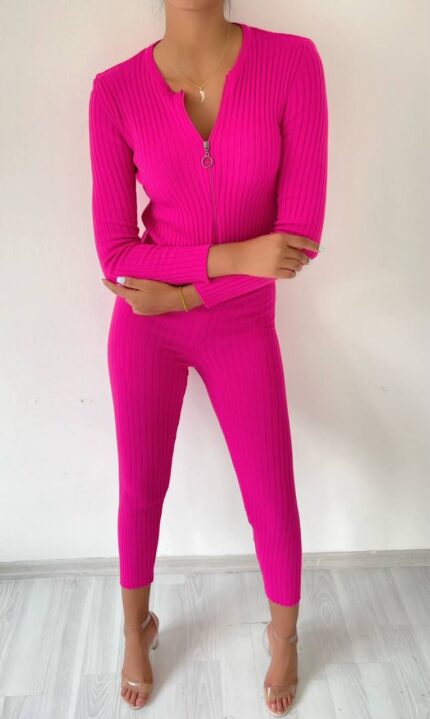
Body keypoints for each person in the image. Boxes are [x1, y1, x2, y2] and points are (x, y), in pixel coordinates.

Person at [88, 0, 328, 715]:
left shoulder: (293, 64)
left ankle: (284, 636)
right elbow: (117, 253)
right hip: (147, 323)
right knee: (141, 488)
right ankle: (136, 627)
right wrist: (232, 259)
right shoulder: (114, 92)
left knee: (270, 492)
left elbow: (297, 237)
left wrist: (190, 293)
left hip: (241, 321)